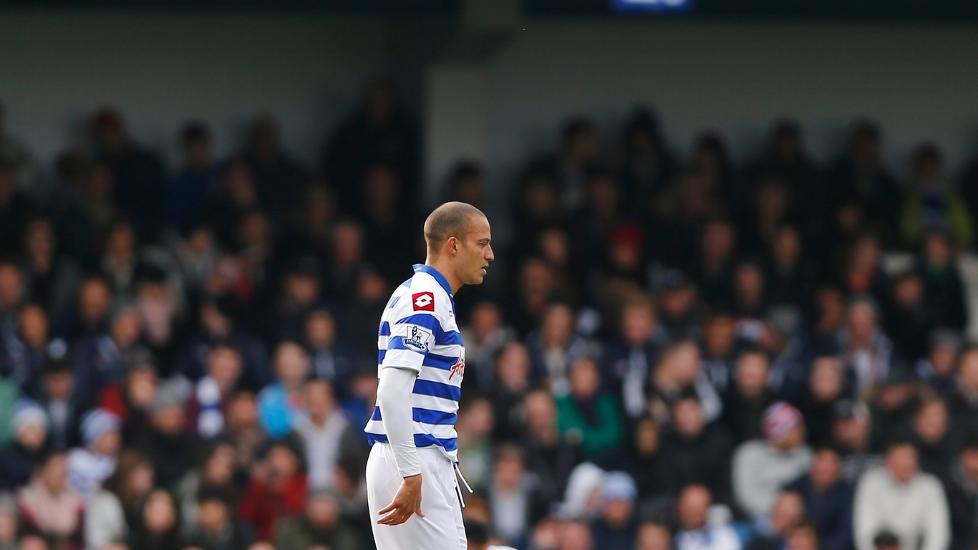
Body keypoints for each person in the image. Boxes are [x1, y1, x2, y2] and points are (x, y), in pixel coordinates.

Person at [363, 201, 494, 549]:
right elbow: (391, 392)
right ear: (453, 245)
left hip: (417, 456)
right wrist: (410, 472)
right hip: (413, 455)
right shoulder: (427, 299)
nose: (490, 254)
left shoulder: (428, 296)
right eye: (482, 243)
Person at [853, 439, 949, 550]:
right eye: (899, 458)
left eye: (909, 458)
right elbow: (865, 532)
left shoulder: (930, 486)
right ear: (887, 461)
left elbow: (938, 535)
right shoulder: (871, 482)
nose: (905, 463)